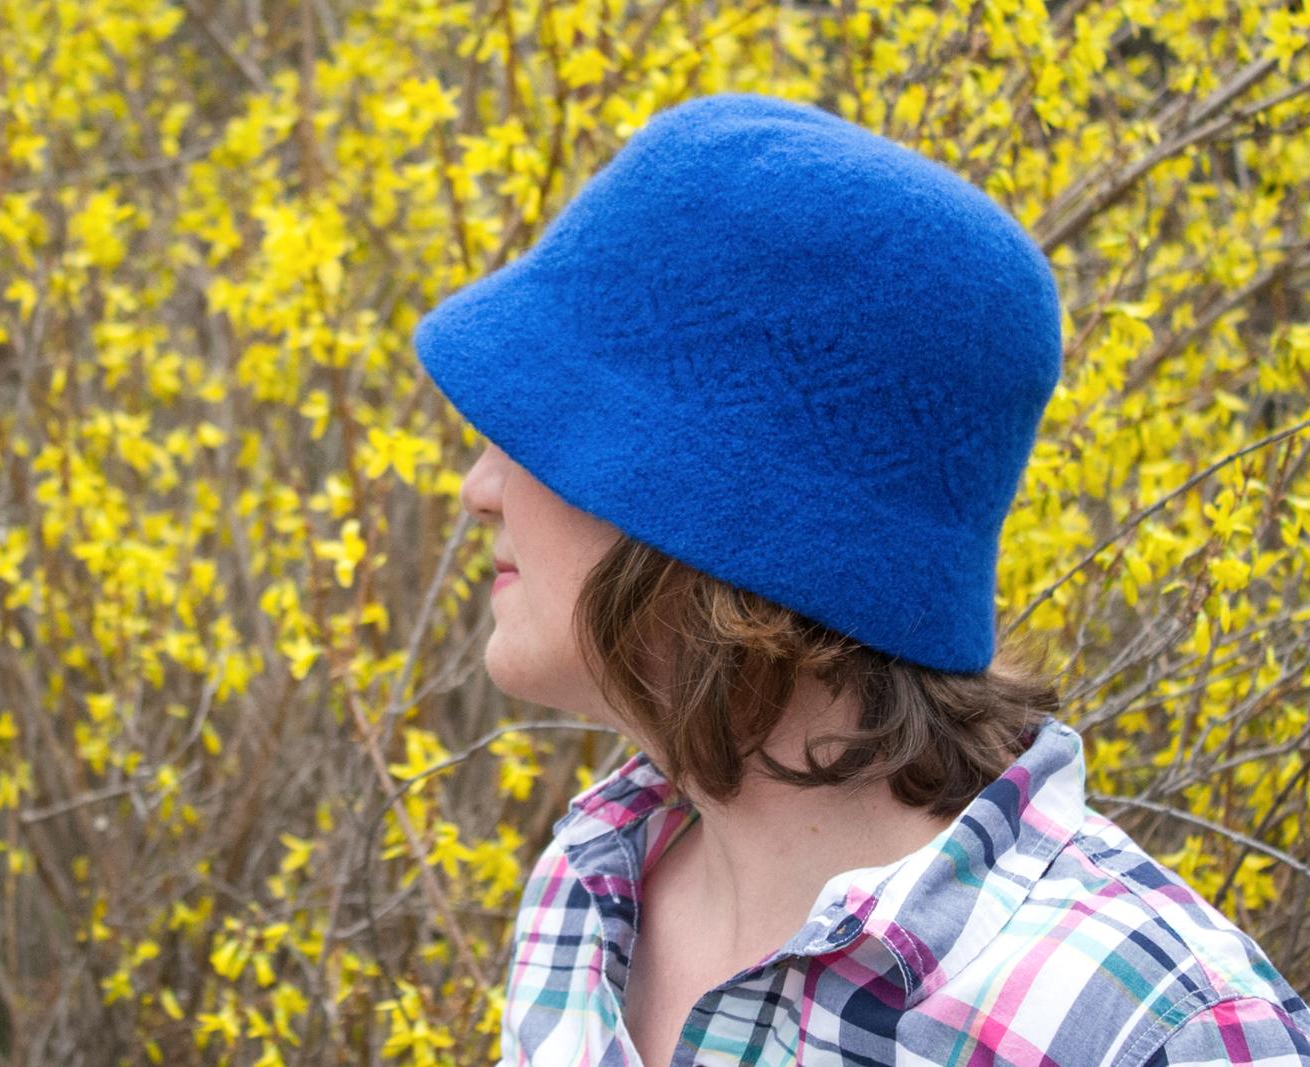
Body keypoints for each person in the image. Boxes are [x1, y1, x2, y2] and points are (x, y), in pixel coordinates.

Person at [412, 93, 1310, 1065]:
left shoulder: (1158, 1032)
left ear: (719, 510)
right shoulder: (584, 895)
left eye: (539, 425)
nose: (478, 487)